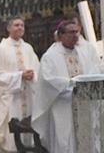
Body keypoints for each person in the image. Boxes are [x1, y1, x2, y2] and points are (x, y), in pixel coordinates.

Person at [33, 20, 103, 153]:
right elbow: (48, 81)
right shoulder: (50, 56)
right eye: (71, 32)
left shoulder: (86, 52)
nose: (76, 35)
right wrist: (73, 86)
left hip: (85, 106)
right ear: (61, 35)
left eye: (77, 32)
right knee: (66, 143)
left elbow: (95, 71)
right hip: (63, 107)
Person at [0, 17, 40, 153]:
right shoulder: (0, 49)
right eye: (16, 25)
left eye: (22, 25)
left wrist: (33, 75)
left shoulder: (28, 48)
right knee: (9, 142)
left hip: (27, 96)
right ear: (8, 28)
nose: (20, 27)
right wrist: (19, 76)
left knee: (30, 140)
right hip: (9, 100)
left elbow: (37, 70)